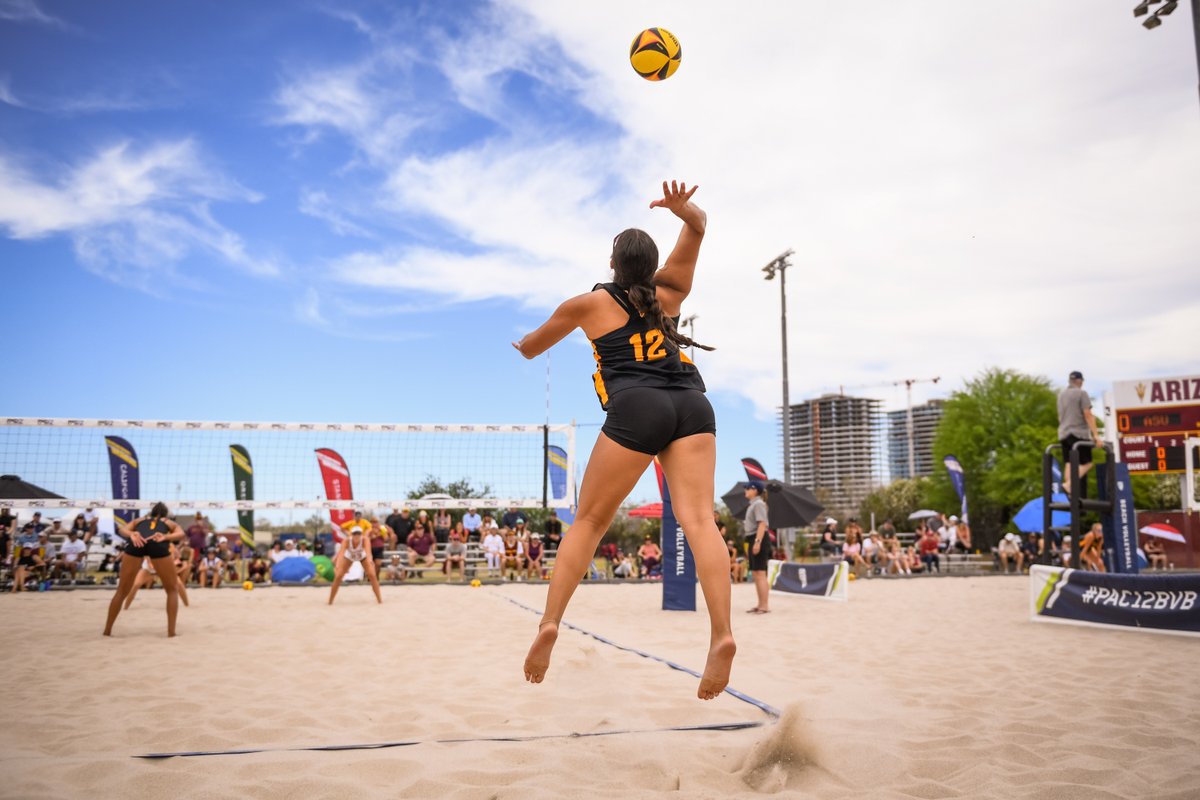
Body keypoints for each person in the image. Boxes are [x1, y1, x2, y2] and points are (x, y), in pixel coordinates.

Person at [514, 182, 732, 699]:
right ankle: (722, 634)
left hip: (638, 405)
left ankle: (549, 623)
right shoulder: (670, 292)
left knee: (588, 522)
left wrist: (522, 342)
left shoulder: (588, 304)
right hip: (692, 401)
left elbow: (530, 350)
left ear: (613, 264)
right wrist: (683, 211)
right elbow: (699, 228)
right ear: (652, 266)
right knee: (701, 521)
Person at [103, 503, 186, 637]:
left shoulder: (140, 520)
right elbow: (181, 534)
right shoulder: (167, 521)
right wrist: (166, 537)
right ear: (165, 514)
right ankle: (171, 632)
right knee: (172, 589)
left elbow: (121, 530)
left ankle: (107, 631)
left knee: (121, 591)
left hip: (137, 541)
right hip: (157, 543)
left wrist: (132, 534)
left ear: (151, 512)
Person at [1058, 371, 1105, 497]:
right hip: (1078, 434)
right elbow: (1088, 414)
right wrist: (1096, 436)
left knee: (1069, 463)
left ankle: (1069, 492)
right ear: (1079, 381)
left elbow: (1060, 417)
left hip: (1063, 433)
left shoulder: (1061, 395)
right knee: (1087, 463)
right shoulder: (1081, 393)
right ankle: (1068, 485)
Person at [328, 526, 383, 605]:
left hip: (362, 556)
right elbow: (341, 553)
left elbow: (368, 552)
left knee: (372, 575)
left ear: (361, 534)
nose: (356, 536)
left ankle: (379, 600)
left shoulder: (365, 540)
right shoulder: (346, 541)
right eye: (354, 534)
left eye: (358, 534)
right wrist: (338, 564)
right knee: (338, 576)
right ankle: (330, 601)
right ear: (351, 535)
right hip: (349, 557)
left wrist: (370, 561)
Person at [743, 481, 771, 611]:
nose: (746, 490)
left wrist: (757, 542)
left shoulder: (758, 503)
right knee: (755, 573)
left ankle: (764, 605)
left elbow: (762, 524)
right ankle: (760, 604)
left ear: (755, 490)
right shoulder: (754, 504)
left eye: (748, 488)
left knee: (760, 573)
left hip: (758, 538)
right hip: (753, 538)